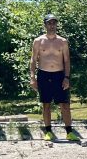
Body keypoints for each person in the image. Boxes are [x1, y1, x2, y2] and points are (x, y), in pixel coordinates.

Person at [29, 14, 79, 142]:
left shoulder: (62, 41)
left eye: (54, 23)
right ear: (45, 25)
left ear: (56, 25)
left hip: (59, 75)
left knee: (65, 105)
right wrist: (33, 77)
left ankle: (69, 132)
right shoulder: (38, 41)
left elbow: (67, 61)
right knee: (46, 104)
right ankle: (48, 131)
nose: (52, 26)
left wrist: (66, 77)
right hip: (44, 75)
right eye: (49, 23)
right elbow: (33, 60)